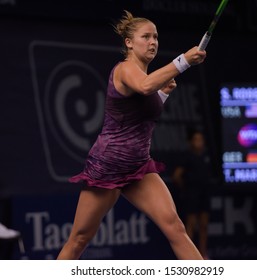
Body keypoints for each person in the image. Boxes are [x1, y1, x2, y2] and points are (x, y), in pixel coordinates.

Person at [57, 10, 206, 260]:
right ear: (129, 42)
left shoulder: (145, 77)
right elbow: (146, 86)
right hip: (108, 166)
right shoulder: (125, 69)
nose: (153, 42)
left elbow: (141, 110)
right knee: (79, 240)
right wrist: (183, 61)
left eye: (156, 37)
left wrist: (163, 93)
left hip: (138, 167)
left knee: (176, 228)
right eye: (145, 37)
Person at [172, 129, 212, 259]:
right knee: (191, 224)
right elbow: (176, 176)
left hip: (204, 193)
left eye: (201, 139)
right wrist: (186, 188)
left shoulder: (207, 157)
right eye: (196, 139)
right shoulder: (187, 157)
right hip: (192, 194)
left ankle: (202, 255)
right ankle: (188, 257)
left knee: (204, 225)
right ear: (191, 142)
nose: (199, 142)